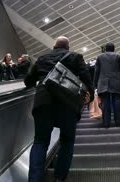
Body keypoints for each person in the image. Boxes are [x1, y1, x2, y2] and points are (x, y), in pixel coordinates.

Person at [24, 36, 94, 182]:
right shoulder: (75, 57)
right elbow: (87, 80)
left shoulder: (42, 58)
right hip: (68, 103)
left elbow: (28, 81)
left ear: (54, 46)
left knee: (40, 142)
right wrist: (90, 97)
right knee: (67, 141)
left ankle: (34, 179)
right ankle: (59, 178)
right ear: (67, 47)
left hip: (43, 102)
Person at [94, 42, 120, 128]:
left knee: (105, 103)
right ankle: (118, 122)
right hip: (116, 82)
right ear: (114, 49)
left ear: (106, 49)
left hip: (103, 83)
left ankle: (106, 123)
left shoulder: (100, 57)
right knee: (117, 102)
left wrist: (94, 84)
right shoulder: (118, 57)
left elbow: (96, 72)